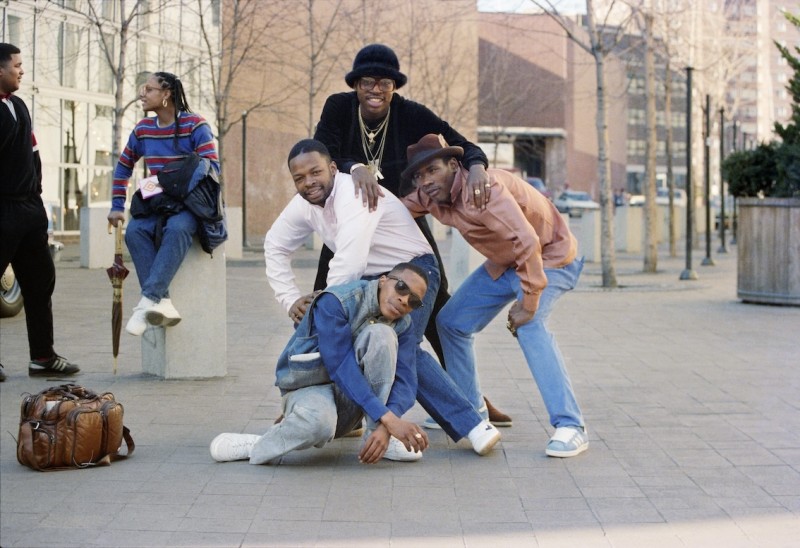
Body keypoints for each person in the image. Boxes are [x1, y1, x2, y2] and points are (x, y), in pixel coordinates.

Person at [313, 43, 511, 426]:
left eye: (384, 82)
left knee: (435, 302)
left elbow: (465, 145)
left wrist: (477, 168)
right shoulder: (339, 108)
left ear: (394, 85)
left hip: (401, 224)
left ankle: (465, 396)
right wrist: (353, 167)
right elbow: (322, 153)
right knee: (326, 300)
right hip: (349, 224)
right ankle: (307, 397)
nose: (375, 89)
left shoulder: (411, 114)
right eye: (367, 81)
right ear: (355, 84)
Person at [263, 139, 499, 457]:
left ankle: (471, 425)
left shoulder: (354, 195)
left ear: (333, 169)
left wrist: (328, 309)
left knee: (401, 347)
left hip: (412, 271)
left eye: (315, 172)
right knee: (352, 341)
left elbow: (349, 262)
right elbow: (275, 245)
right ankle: (324, 413)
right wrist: (290, 298)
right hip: (371, 282)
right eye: (299, 178)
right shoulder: (305, 204)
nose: (309, 182)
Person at [400, 134, 589, 458]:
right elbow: (397, 210)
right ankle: (471, 409)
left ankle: (571, 426)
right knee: (451, 322)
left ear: (454, 165)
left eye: (432, 170)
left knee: (529, 326)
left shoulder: (484, 192)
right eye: (419, 176)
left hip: (551, 257)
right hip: (505, 263)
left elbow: (527, 242)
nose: (425, 182)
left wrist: (528, 303)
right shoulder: (432, 196)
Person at [210, 264, 431, 464]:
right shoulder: (337, 301)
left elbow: (406, 381)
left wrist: (385, 427)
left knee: (382, 334)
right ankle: (258, 444)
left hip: (353, 401)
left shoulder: (403, 324)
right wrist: (389, 418)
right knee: (319, 423)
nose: (404, 300)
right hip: (310, 388)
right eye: (401, 287)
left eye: (413, 301)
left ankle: (377, 437)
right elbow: (340, 365)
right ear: (384, 280)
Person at [107, 71, 219, 336]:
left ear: (166, 94)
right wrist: (117, 205)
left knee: (178, 229)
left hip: (190, 203)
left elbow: (212, 168)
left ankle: (147, 302)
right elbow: (123, 168)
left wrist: (172, 183)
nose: (142, 95)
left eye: (149, 89)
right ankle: (163, 301)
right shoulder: (143, 129)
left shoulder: (195, 125)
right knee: (135, 232)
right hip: (156, 201)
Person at [0, 43, 79, 380]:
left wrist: (37, 199)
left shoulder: (18, 105)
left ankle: (43, 358)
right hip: (2, 209)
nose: (21, 70)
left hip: (29, 210)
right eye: (16, 65)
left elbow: (33, 155)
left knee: (39, 282)